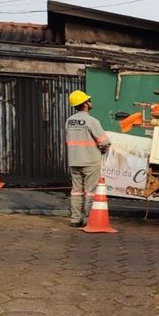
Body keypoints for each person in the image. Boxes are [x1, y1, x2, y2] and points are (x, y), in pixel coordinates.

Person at [66, 91, 111, 227]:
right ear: (85, 104)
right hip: (90, 161)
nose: (90, 102)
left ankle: (75, 219)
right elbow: (105, 142)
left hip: (74, 161)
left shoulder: (69, 121)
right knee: (90, 192)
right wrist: (103, 150)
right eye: (88, 100)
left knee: (76, 191)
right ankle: (88, 220)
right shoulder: (92, 121)